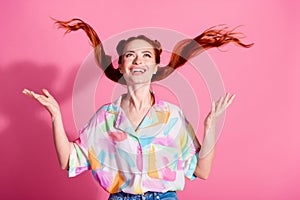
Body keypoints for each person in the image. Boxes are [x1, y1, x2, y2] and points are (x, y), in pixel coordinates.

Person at [23, 19, 252, 200]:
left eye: (146, 56)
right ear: (121, 66)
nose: (138, 61)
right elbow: (68, 160)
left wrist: (209, 127)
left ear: (154, 67)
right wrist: (55, 116)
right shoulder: (106, 117)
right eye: (130, 55)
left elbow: (202, 171)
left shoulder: (173, 117)